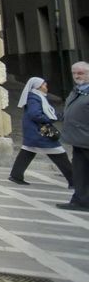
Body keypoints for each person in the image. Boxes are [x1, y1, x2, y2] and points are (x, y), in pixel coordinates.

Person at [10, 76, 72, 186]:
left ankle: (16, 175)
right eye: (44, 84)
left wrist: (57, 116)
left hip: (35, 131)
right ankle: (74, 181)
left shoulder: (37, 96)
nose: (46, 86)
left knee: (27, 152)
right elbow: (35, 115)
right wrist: (51, 119)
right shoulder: (34, 98)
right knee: (59, 153)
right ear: (38, 87)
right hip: (40, 131)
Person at [59, 61, 89, 210]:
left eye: (81, 73)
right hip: (78, 139)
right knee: (79, 172)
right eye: (74, 73)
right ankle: (79, 200)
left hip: (86, 138)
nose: (77, 76)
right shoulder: (76, 91)